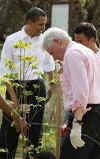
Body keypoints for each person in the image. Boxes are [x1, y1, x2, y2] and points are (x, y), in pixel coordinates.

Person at [0, 7, 55, 159]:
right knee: (9, 129)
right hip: (15, 87)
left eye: (45, 24)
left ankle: (32, 157)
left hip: (37, 87)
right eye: (40, 24)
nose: (43, 28)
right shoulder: (12, 40)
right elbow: (5, 73)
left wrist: (51, 84)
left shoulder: (44, 40)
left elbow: (49, 62)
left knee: (35, 131)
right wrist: (14, 100)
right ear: (29, 22)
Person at [41, 27, 100, 159]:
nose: (53, 57)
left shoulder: (72, 54)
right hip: (94, 111)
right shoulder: (85, 50)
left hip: (85, 115)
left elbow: (81, 90)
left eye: (52, 52)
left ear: (58, 42)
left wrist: (77, 124)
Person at [61, 22, 100, 149]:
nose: (77, 45)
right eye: (75, 41)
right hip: (76, 108)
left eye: (81, 41)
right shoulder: (76, 56)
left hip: (93, 110)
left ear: (92, 40)